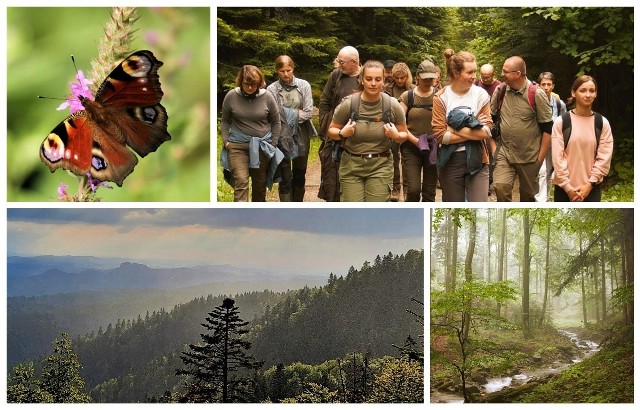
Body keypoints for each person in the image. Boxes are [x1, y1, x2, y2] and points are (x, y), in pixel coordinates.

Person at [327, 60, 408, 202]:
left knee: (376, 211)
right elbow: (331, 130)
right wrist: (342, 133)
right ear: (361, 80)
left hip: (381, 165)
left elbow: (404, 134)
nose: (373, 83)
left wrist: (395, 135)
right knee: (353, 212)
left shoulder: (392, 105)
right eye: (369, 79)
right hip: (352, 164)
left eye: (378, 79)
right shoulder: (349, 103)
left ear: (384, 80)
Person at [432, 50, 493, 202]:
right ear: (456, 72)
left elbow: (486, 131)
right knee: (454, 212)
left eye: (475, 71)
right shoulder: (441, 98)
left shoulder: (481, 95)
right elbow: (440, 136)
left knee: (478, 210)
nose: (474, 76)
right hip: (450, 160)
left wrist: (453, 129)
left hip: (478, 159)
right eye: (470, 72)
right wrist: (473, 128)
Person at [491, 56, 553, 202]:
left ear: (517, 74)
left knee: (528, 198)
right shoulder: (500, 91)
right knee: (500, 187)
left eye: (505, 71)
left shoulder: (536, 94)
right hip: (504, 153)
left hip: (530, 157)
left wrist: (539, 160)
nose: (502, 74)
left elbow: (548, 129)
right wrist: (494, 149)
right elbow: (490, 120)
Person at [220, 65, 282, 202]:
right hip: (237, 146)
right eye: (246, 84)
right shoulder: (231, 96)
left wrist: (273, 143)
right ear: (241, 82)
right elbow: (225, 121)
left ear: (259, 83)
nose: (249, 88)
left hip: (261, 146)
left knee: (259, 184)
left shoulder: (267, 96)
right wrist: (226, 141)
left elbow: (276, 122)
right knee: (241, 182)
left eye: (253, 85)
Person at [551, 75, 613, 202]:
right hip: (564, 188)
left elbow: (604, 157)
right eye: (583, 90)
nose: (588, 95)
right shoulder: (562, 122)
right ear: (574, 93)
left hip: (591, 188)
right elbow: (557, 158)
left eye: (592, 90)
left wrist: (589, 185)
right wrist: (568, 188)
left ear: (596, 94)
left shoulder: (602, 123)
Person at [267, 55, 317, 202]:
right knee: (284, 174)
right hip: (281, 134)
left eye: (289, 70)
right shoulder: (272, 89)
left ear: (293, 68)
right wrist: (295, 114)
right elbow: (273, 115)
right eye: (282, 71)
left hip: (302, 133)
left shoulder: (304, 85)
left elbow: (308, 113)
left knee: (300, 173)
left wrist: (285, 115)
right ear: (277, 71)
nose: (286, 74)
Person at [317, 46, 361, 202]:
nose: (339, 64)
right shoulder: (336, 76)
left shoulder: (365, 78)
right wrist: (325, 126)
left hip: (356, 139)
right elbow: (325, 102)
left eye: (342, 61)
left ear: (354, 62)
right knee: (331, 176)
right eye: (338, 60)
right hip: (333, 136)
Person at [398, 60, 439, 201]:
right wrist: (415, 141)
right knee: (413, 189)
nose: (428, 81)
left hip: (433, 147)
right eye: (425, 78)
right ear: (417, 77)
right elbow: (400, 122)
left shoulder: (440, 96)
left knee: (429, 192)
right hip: (411, 146)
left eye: (431, 78)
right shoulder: (407, 96)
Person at [383, 62, 415, 200]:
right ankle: (395, 189)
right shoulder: (386, 89)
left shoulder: (413, 90)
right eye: (397, 78)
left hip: (409, 128)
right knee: (393, 159)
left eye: (403, 78)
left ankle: (408, 190)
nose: (400, 81)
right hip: (392, 128)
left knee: (407, 160)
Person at [535, 71, 567, 202]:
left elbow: (565, 123)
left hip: (555, 142)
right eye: (543, 84)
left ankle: (546, 197)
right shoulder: (534, 102)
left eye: (549, 84)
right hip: (539, 141)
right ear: (539, 85)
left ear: (553, 86)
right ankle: (541, 200)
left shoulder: (560, 105)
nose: (546, 87)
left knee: (552, 171)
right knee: (542, 170)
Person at [475, 63, 503, 194]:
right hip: (479, 124)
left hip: (496, 124)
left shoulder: (500, 87)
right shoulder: (475, 84)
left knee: (494, 153)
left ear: (493, 75)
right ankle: (485, 182)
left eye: (487, 77)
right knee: (482, 152)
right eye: (483, 76)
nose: (484, 79)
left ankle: (491, 180)